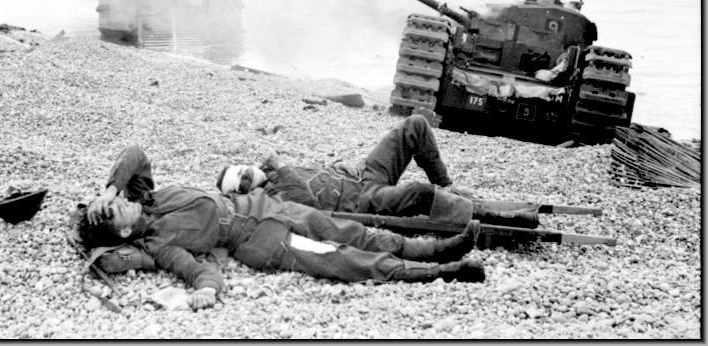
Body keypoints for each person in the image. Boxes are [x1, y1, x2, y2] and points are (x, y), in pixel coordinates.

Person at [78, 144, 485, 310]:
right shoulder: (158, 244)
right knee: (342, 259)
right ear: (125, 234)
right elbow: (200, 270)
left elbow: (134, 153)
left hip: (267, 205)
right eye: (114, 211)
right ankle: (439, 270)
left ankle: (440, 247)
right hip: (260, 241)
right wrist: (206, 291)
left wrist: (108, 189)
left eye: (113, 203)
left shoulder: (146, 196)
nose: (119, 205)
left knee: (352, 232)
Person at [216, 114, 539, 228]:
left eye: (244, 171)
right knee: (419, 193)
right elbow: (309, 204)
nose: (248, 177)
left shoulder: (272, 175)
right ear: (245, 194)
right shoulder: (270, 199)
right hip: (365, 200)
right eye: (243, 183)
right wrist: (282, 165)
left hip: (363, 173)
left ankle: (448, 185)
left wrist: (339, 164)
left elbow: (316, 177)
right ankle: (495, 217)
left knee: (415, 125)